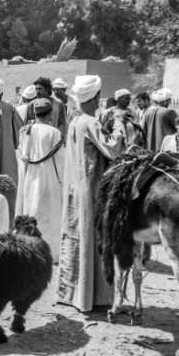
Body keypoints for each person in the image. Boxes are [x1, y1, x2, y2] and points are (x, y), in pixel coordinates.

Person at [57, 75, 124, 312]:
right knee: (90, 238)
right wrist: (118, 124)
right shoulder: (90, 123)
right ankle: (91, 296)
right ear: (95, 97)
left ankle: (74, 292)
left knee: (76, 237)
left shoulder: (75, 121)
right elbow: (113, 149)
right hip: (90, 190)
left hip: (75, 188)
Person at [16, 98, 64, 260]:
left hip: (30, 179)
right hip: (50, 180)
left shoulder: (26, 131)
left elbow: (23, 159)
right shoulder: (54, 133)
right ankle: (51, 254)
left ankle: (31, 251)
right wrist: (63, 182)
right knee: (50, 217)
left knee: (32, 214)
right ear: (50, 113)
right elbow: (61, 162)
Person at [141, 88, 177, 152]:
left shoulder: (147, 112)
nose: (170, 102)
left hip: (150, 150)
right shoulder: (169, 112)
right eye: (169, 100)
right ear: (165, 101)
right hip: (167, 149)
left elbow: (143, 132)